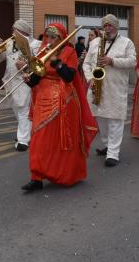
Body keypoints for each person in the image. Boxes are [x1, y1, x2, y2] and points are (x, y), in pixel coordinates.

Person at [20, 23, 98, 191]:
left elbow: (69, 76)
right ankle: (36, 177)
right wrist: (28, 79)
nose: (49, 39)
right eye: (47, 36)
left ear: (62, 38)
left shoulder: (69, 52)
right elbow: (37, 78)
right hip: (42, 100)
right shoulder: (42, 52)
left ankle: (63, 174)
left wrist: (57, 62)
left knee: (58, 141)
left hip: (63, 101)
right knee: (38, 140)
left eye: (53, 36)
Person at [83, 14, 136, 167]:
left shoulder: (127, 42)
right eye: (105, 25)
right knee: (101, 120)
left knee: (115, 121)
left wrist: (112, 61)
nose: (107, 28)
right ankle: (107, 145)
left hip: (116, 89)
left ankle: (113, 153)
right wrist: (90, 79)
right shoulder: (94, 43)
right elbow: (86, 64)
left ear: (116, 27)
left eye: (110, 25)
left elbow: (133, 62)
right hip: (96, 87)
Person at [0, 20, 41, 151]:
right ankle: (26, 133)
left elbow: (38, 64)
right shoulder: (9, 42)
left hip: (24, 80)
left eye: (14, 29)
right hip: (9, 81)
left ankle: (23, 140)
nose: (12, 32)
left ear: (22, 31)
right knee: (17, 108)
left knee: (23, 109)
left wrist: (25, 65)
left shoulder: (36, 44)